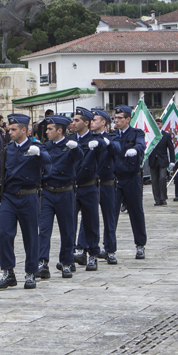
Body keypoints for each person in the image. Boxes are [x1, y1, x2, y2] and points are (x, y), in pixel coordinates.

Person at [0, 113, 50, 290]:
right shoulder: (8, 149)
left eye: (14, 129)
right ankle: (8, 272)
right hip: (9, 196)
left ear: (24, 130)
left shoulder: (35, 146)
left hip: (28, 195)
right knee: (4, 234)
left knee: (31, 236)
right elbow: (2, 173)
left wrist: (39, 154)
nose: (10, 131)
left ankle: (31, 272)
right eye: (9, 129)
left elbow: (48, 161)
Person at [37, 114, 78, 279]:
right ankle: (42, 262)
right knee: (44, 229)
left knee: (67, 230)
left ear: (59, 130)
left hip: (64, 191)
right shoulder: (45, 147)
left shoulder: (69, 146)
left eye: (50, 129)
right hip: (47, 191)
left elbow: (78, 158)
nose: (47, 132)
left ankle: (66, 262)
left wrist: (76, 148)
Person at [71, 107, 106, 270]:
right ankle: (68, 256)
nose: (73, 123)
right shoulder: (70, 139)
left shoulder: (95, 139)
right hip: (72, 188)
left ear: (86, 122)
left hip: (88, 186)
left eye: (77, 120)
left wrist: (99, 144)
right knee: (68, 223)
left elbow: (106, 148)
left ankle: (92, 254)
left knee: (91, 223)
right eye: (73, 120)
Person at [110, 105, 147, 260]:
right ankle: (109, 247)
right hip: (116, 179)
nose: (116, 121)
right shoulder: (112, 135)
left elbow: (141, 144)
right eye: (115, 118)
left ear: (128, 119)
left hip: (132, 177)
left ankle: (140, 245)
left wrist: (137, 150)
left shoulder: (136, 133)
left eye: (120, 118)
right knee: (111, 213)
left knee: (136, 212)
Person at [147, 117, 173, 206]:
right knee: (154, 181)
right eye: (156, 124)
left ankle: (163, 198)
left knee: (162, 178)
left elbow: (171, 148)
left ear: (161, 125)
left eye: (159, 124)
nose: (157, 125)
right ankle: (157, 199)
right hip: (153, 160)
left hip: (163, 160)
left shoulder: (166, 135)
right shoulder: (151, 135)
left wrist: (172, 160)